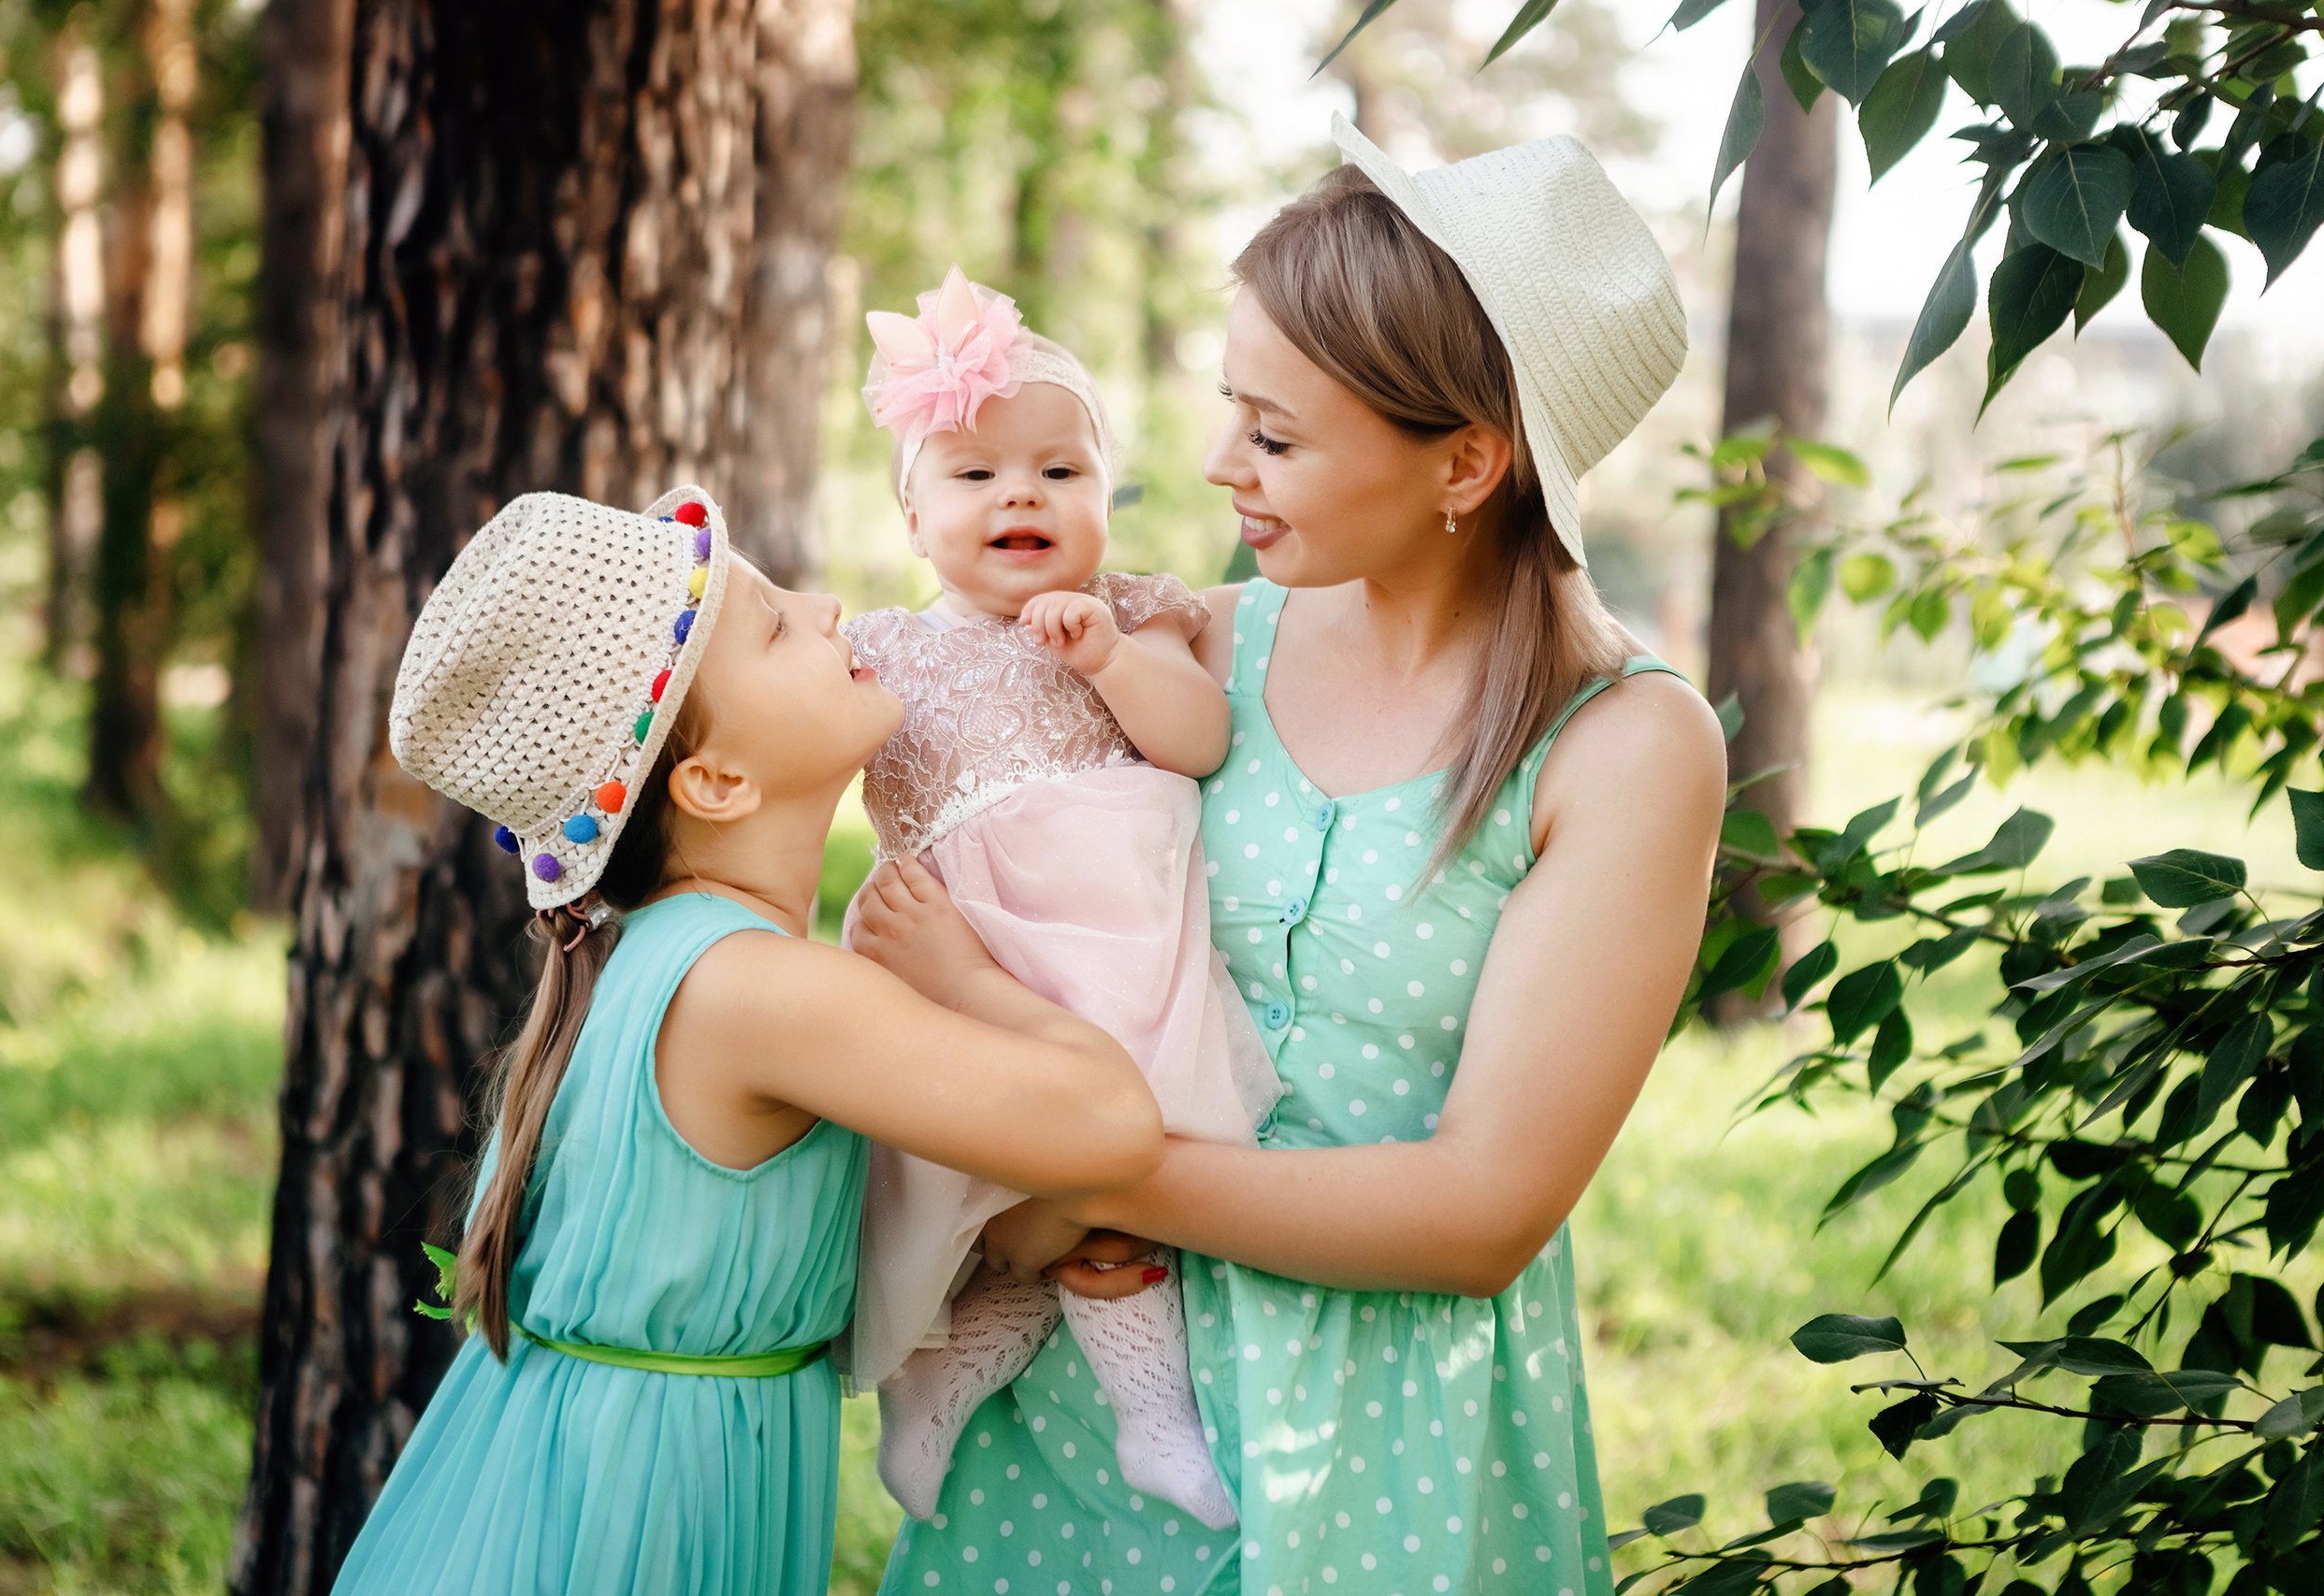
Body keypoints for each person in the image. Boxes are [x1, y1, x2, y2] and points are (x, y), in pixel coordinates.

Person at [871, 116, 1726, 1595]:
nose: (1217, 466)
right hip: (1084, 1408)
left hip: (1384, 1440)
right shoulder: (1193, 643)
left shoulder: (1625, 745)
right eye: (1228, 410)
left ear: (1467, 459)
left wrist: (1077, 1170)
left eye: (1274, 434)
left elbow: (1478, 1211)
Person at [327, 485, 1164, 1596]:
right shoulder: (760, 991)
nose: (826, 609)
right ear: (715, 783)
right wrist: (964, 976)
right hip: (640, 1515)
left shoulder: (660, 954)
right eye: (773, 627)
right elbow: (1113, 1125)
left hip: (558, 1482)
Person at [841, 266, 1277, 1532]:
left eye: (1059, 471)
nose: (1020, 494)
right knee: (986, 1187)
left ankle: (1153, 1413)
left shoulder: (1133, 613)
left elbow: (1198, 739)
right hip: (968, 950)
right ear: (916, 521)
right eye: (973, 477)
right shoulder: (883, 649)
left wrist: (1112, 657)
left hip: (1120, 953)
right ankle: (939, 1367)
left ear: (1104, 494)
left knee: (1115, 1153)